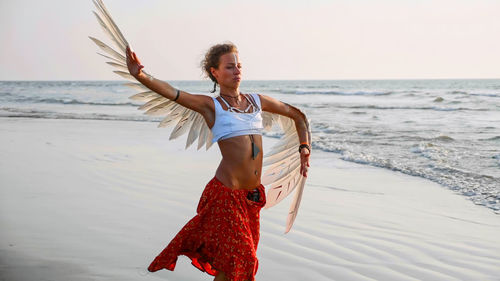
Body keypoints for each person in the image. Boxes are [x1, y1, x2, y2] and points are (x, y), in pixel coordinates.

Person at [125, 43, 310, 281]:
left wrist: (304, 148)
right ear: (215, 72)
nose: (237, 71)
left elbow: (298, 116)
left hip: (251, 198)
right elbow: (173, 93)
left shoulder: (257, 101)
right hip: (226, 196)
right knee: (243, 259)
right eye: (230, 67)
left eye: (239, 66)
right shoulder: (211, 106)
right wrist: (140, 75)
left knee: (233, 267)